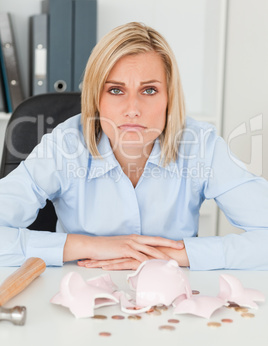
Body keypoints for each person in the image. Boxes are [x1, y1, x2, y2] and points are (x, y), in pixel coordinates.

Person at [0, 22, 268, 271]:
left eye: (149, 90)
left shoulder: (200, 145)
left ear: (169, 98)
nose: (132, 109)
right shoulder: (65, 145)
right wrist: (89, 246)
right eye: (116, 90)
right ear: (96, 99)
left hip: (170, 298)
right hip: (81, 294)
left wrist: (179, 254)